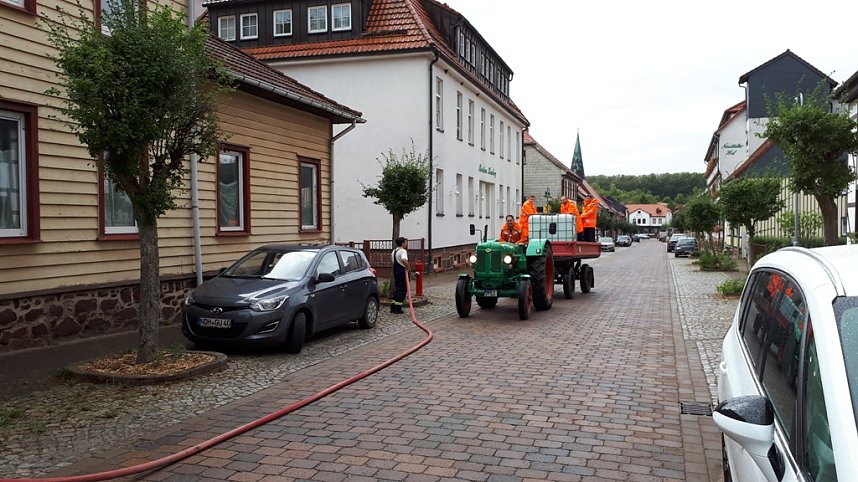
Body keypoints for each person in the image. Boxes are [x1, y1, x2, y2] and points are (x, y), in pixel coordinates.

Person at [390, 237, 410, 314]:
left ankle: (393, 307)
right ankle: (398, 308)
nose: (407, 244)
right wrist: (408, 268)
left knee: (398, 289)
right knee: (402, 290)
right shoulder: (403, 251)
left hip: (396, 272)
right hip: (402, 272)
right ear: (402, 243)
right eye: (406, 242)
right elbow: (404, 260)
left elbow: (393, 261)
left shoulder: (394, 251)